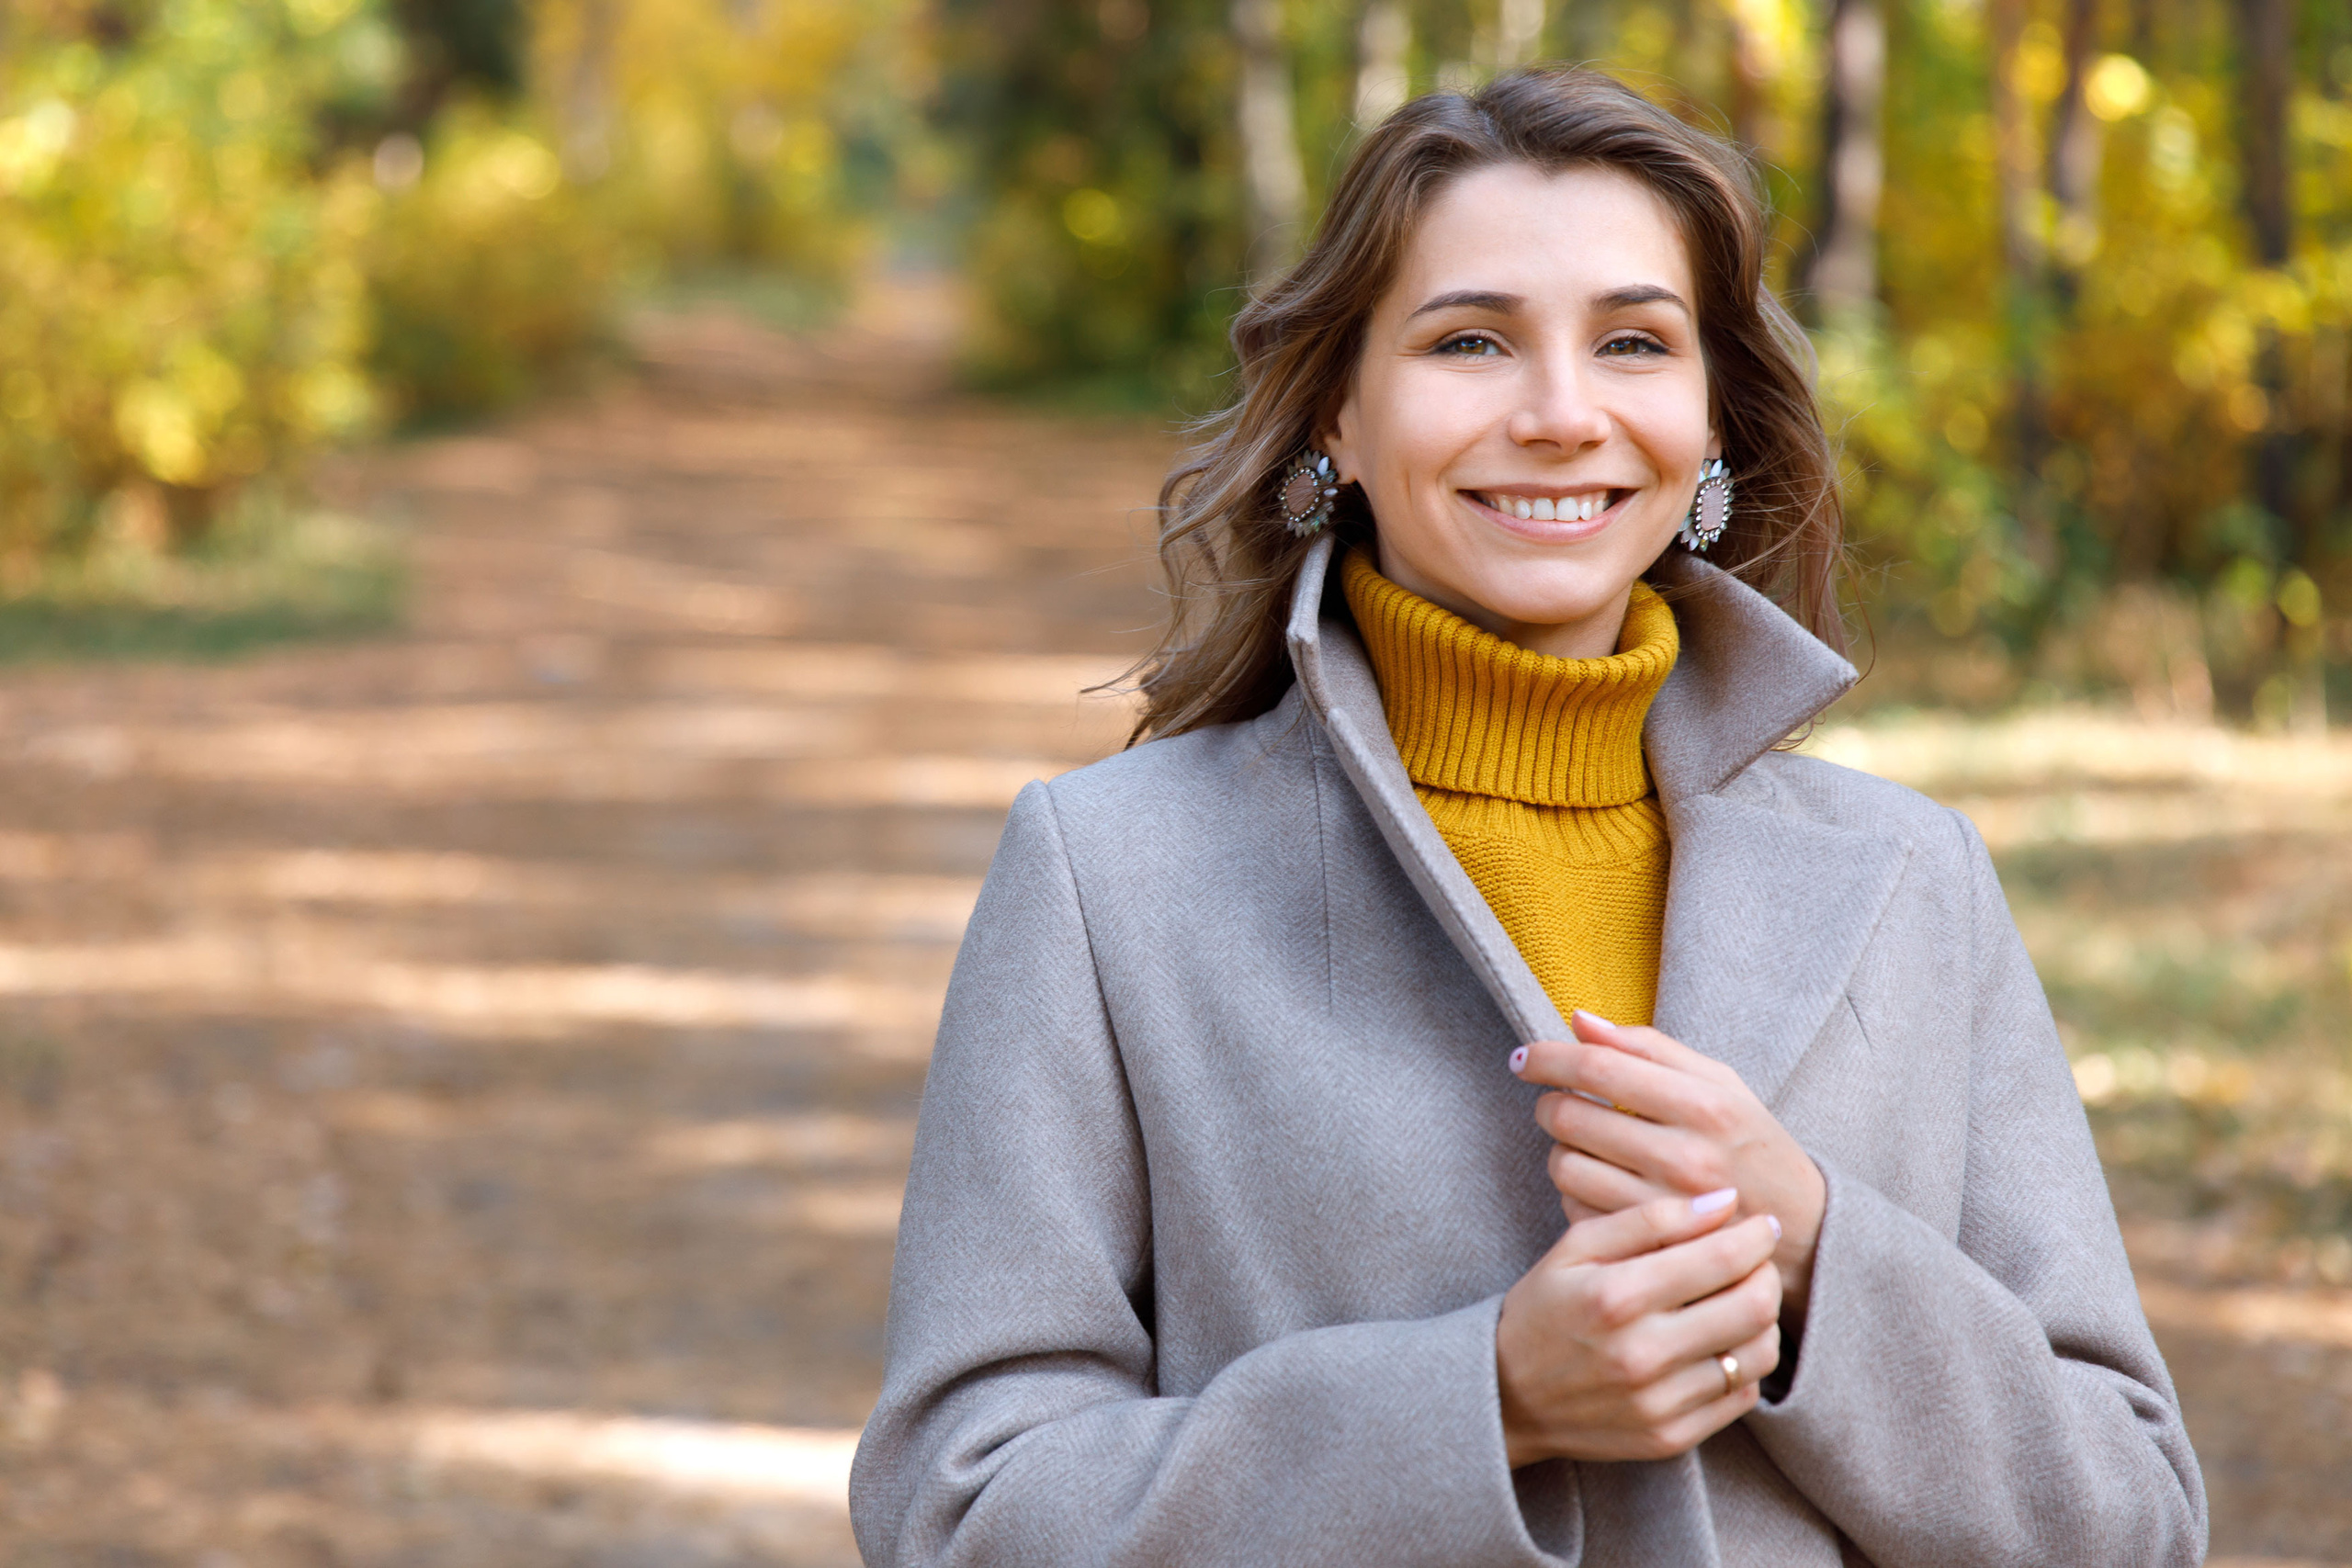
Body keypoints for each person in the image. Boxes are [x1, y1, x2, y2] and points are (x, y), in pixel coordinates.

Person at [850, 66, 2205, 1566]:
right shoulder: (1111, 878)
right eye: (1471, 340)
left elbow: (2133, 1519)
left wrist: (1814, 1245)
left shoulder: (1913, 881)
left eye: (1633, 341)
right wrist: (1482, 1402)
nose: (1563, 415)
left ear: (1707, 428)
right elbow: (958, 1512)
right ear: (1337, 422)